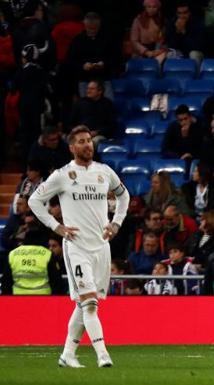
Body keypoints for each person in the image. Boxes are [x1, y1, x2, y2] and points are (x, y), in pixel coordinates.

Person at [28, 125, 130, 367]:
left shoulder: (104, 172)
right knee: (90, 303)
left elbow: (124, 196)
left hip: (101, 247)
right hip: (77, 247)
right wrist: (57, 227)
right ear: (72, 147)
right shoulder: (63, 175)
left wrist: (116, 223)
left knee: (83, 304)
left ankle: (68, 355)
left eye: (89, 140)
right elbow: (34, 201)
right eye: (82, 141)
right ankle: (103, 355)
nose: (88, 145)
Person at [1, 226, 64, 295]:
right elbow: (56, 281)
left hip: (18, 298)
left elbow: (6, 281)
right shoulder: (47, 254)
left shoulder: (13, 254)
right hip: (44, 299)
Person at [69, 79, 117, 146]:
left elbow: (111, 125)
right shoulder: (80, 103)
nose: (88, 91)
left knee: (92, 143)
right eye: (88, 88)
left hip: (98, 135)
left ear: (100, 91)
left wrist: (97, 132)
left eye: (92, 89)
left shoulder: (107, 104)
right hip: (80, 134)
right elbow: (72, 122)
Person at [130, 0, 168, 65]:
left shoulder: (162, 20)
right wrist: (146, 52)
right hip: (141, 50)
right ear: (145, 7)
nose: (151, 9)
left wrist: (158, 50)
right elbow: (134, 41)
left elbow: (163, 38)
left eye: (154, 7)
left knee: (161, 59)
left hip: (156, 49)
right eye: (149, 7)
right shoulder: (138, 20)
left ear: (158, 8)